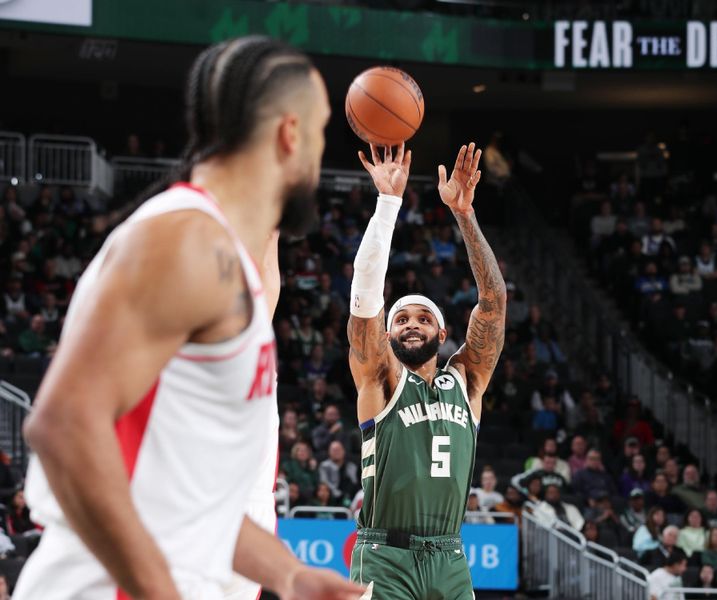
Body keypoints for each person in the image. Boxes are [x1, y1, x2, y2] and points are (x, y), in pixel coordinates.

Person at [15, 37, 364, 600]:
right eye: (323, 134)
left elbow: (185, 498)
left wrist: (287, 574)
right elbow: (62, 427)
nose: (320, 161)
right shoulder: (185, 242)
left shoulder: (222, 260)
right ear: (290, 134)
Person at [347, 142, 506, 599]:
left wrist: (464, 214)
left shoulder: (467, 381)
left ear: (442, 332)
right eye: (400, 319)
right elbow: (363, 297)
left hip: (450, 557)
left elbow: (494, 304)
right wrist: (388, 203)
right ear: (387, 333)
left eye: (423, 318)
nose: (411, 324)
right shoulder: (380, 380)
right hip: (385, 556)